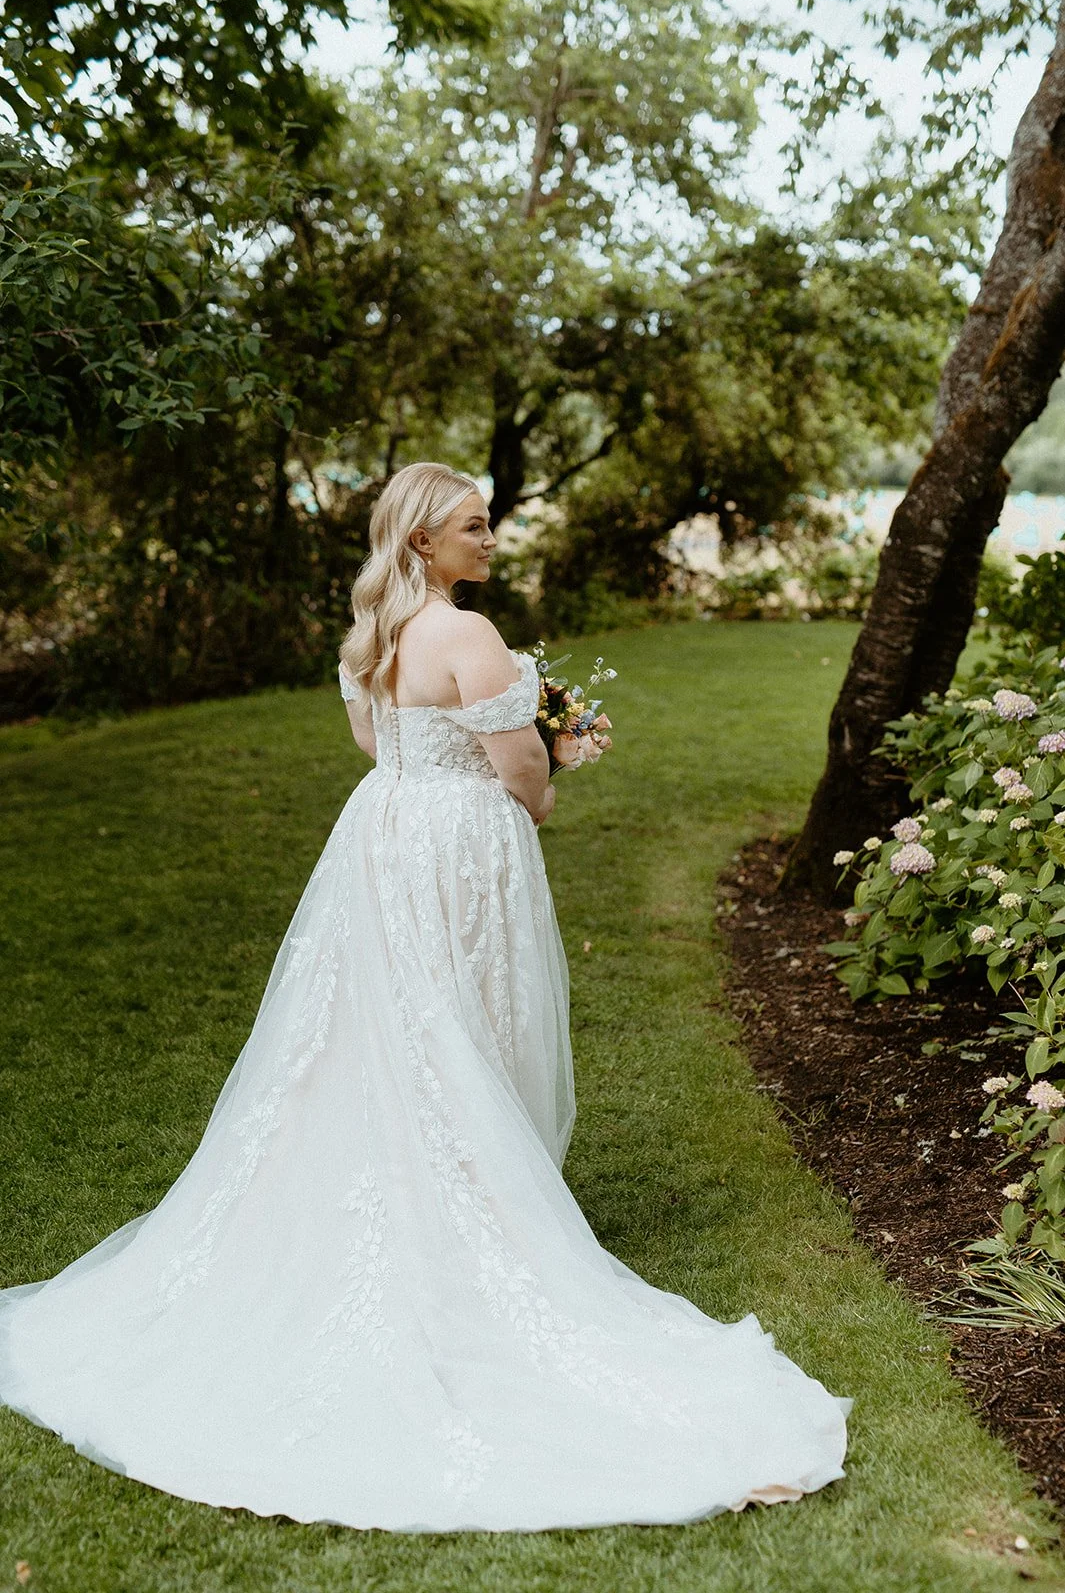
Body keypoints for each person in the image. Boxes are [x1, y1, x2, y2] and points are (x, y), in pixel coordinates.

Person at [0, 461, 851, 1532]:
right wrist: (563, 754)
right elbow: (523, 780)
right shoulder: (473, 638)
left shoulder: (371, 639)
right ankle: (475, 1201)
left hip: (383, 836)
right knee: (464, 1017)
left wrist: (507, 752)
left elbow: (375, 744)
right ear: (421, 543)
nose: (489, 539)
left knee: (381, 1025)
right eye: (472, 525)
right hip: (459, 848)